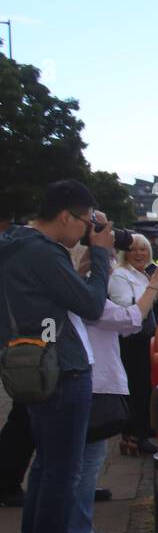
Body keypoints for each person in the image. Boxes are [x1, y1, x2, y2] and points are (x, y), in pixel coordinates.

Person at [0, 179, 115, 533]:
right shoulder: (42, 252)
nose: (85, 231)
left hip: (33, 366)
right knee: (61, 471)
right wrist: (100, 256)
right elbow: (91, 305)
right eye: (85, 223)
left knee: (47, 468)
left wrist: (78, 271)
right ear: (66, 215)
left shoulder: (14, 246)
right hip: (63, 369)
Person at [58, 246, 158, 533]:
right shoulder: (88, 300)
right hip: (93, 383)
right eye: (105, 264)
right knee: (84, 461)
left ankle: (66, 529)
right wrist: (154, 283)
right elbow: (130, 319)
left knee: (77, 461)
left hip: (88, 381)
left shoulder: (74, 294)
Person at [109, 234, 158, 455]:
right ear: (125, 253)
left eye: (143, 249)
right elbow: (127, 309)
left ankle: (142, 431)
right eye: (134, 249)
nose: (139, 254)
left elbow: (156, 309)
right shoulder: (120, 276)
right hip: (132, 340)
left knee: (145, 386)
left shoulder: (145, 275)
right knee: (135, 386)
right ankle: (132, 436)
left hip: (148, 337)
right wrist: (156, 293)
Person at [0, 212, 36, 506]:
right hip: (26, 345)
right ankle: (6, 481)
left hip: (21, 342)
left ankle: (8, 480)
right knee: (24, 417)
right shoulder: (19, 247)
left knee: (24, 416)